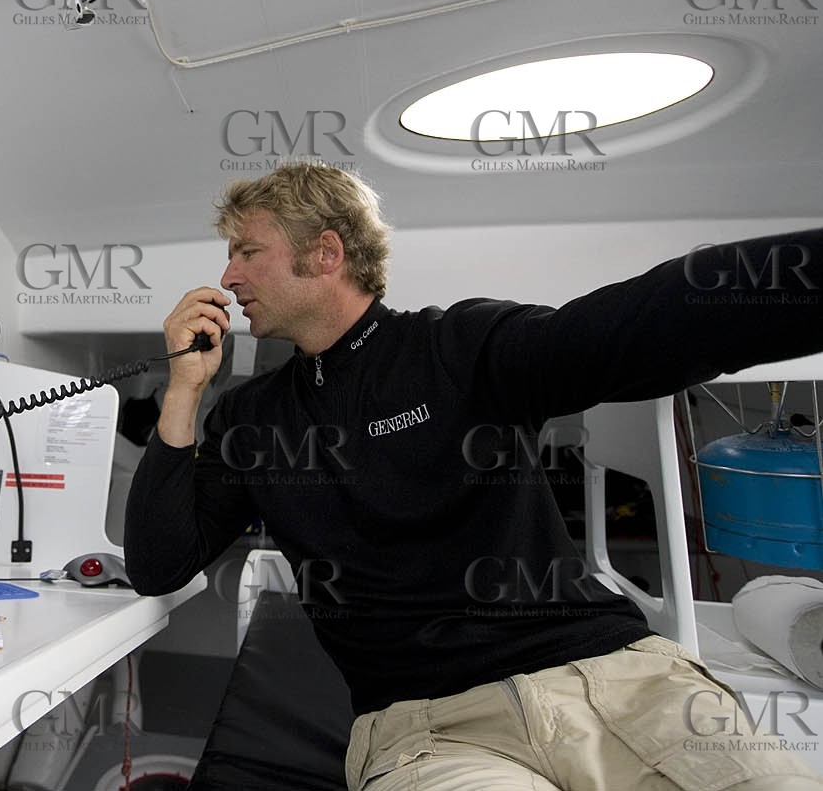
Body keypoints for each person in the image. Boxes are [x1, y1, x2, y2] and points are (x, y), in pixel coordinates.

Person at [125, 161, 823, 790]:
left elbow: (629, 327)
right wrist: (184, 389)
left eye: (248, 251)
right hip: (431, 732)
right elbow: (160, 562)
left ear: (326, 252)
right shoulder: (252, 418)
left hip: (616, 681)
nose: (228, 278)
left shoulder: (459, 346)